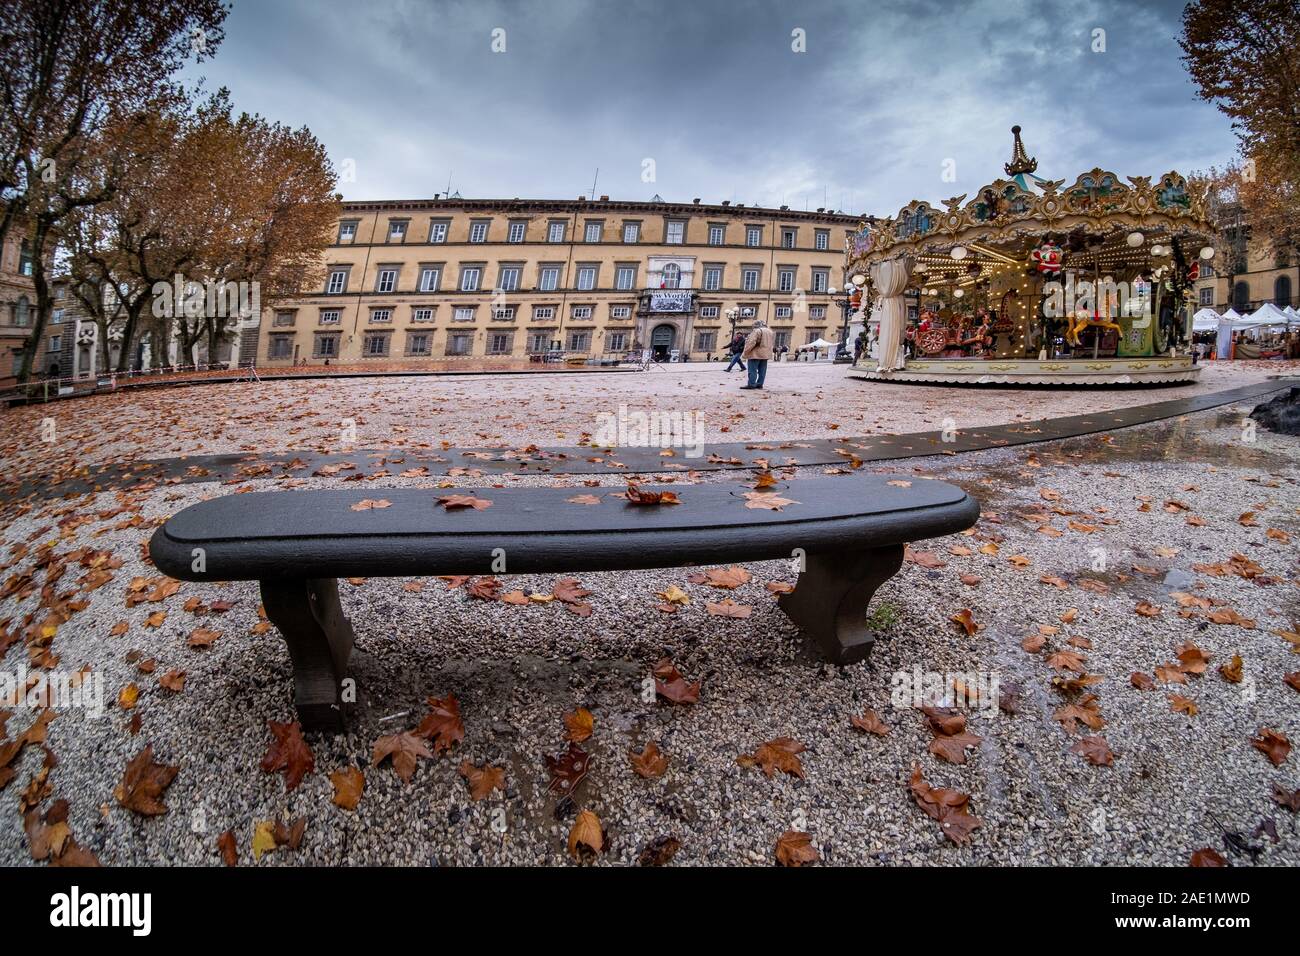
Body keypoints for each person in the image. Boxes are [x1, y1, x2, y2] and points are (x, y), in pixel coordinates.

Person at [740, 318, 774, 389]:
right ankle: (760, 383)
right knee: (762, 370)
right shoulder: (770, 331)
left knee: (752, 369)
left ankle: (751, 384)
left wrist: (745, 352)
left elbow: (751, 343)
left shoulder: (757, 331)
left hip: (755, 354)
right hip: (766, 354)